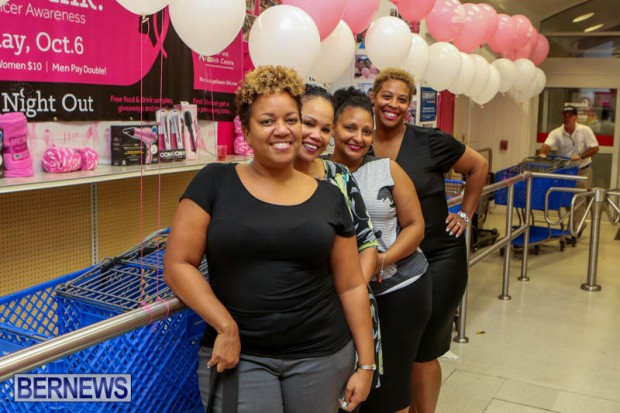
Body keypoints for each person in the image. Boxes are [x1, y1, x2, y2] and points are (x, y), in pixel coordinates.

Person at [164, 65, 375, 413]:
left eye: (291, 119)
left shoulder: (329, 197)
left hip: (322, 356)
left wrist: (366, 364)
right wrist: (225, 325)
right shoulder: (214, 182)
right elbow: (178, 264)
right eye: (267, 121)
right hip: (240, 356)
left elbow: (351, 285)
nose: (282, 130)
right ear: (246, 131)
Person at [369, 68, 489, 413]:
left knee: (423, 350)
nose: (393, 104)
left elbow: (479, 166)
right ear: (373, 97)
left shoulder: (430, 141)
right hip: (387, 264)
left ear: (409, 105)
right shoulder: (360, 142)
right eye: (387, 96)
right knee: (394, 348)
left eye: (401, 99)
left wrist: (464, 214)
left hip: (438, 258)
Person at [328, 87, 431, 413]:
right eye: (350, 128)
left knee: (392, 387)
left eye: (366, 131)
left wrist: (382, 259)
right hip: (343, 294)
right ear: (332, 128)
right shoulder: (317, 173)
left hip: (398, 287)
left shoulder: (387, 169)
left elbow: (415, 226)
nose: (358, 138)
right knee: (350, 384)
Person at [539, 105, 599, 227]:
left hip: (583, 170)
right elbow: (546, 145)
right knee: (566, 198)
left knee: (579, 198)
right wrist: (543, 153)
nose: (567, 118)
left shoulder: (585, 130)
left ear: (575, 117)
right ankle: (577, 223)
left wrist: (581, 156)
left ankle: (574, 227)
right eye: (565, 116)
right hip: (566, 171)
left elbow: (595, 148)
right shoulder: (557, 132)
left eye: (570, 116)